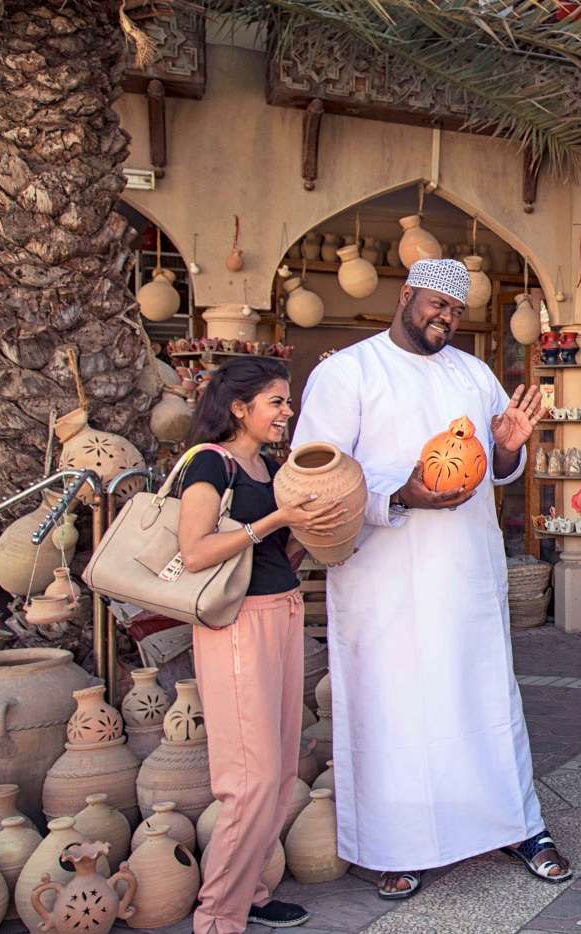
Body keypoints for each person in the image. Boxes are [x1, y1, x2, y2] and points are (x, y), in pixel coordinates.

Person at [289, 258, 569, 900]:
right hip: (380, 580)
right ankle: (394, 844)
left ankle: (514, 824)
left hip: (465, 572)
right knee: (391, 709)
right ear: (407, 296)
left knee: (482, 699)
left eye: (456, 311)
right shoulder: (347, 373)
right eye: (436, 305)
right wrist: (402, 495)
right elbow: (314, 480)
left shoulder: (473, 372)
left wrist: (508, 445)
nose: (446, 317)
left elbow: (501, 460)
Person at [175, 356, 347, 933]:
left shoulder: (265, 466)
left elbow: (274, 550)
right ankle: (217, 917)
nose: (287, 412)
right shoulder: (209, 464)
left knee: (274, 775)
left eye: (287, 400)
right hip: (235, 625)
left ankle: (250, 892)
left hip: (280, 613)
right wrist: (273, 520)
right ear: (238, 407)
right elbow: (195, 550)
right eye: (276, 402)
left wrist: (306, 527)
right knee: (247, 779)